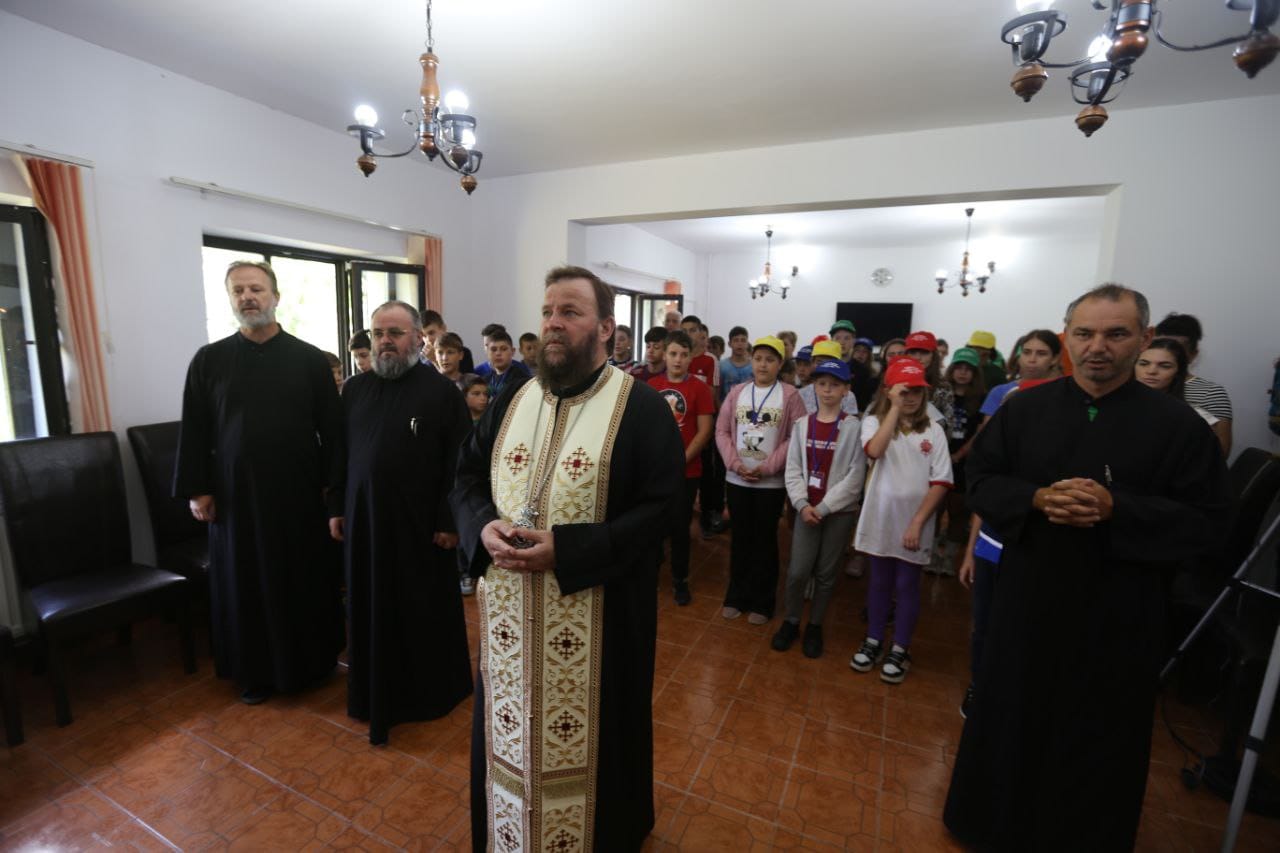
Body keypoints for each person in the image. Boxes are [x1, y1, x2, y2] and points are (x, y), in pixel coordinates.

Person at [943, 284, 1232, 851]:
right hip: (1029, 598)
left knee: (1099, 733)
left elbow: (1210, 521)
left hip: (1120, 612)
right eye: (1085, 333)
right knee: (1012, 714)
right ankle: (989, 823)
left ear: (1144, 338)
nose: (1098, 346)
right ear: (1066, 338)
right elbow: (980, 481)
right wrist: (1036, 499)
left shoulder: (1179, 426)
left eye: (1116, 334)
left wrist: (1116, 507)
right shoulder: (1024, 409)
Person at [451, 266, 683, 852]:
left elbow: (663, 508)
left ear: (605, 327)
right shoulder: (512, 399)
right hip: (510, 620)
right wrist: (482, 527)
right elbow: (466, 477)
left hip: (601, 618)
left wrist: (570, 549)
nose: (554, 323)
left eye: (571, 312)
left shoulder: (642, 408)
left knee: (601, 742)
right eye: (548, 311)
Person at [175, 260, 344, 705]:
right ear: (230, 299)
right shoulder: (209, 360)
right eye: (238, 291)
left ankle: (312, 663)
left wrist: (333, 489)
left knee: (301, 578)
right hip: (236, 499)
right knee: (244, 583)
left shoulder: (309, 359)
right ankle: (254, 672)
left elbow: (333, 431)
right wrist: (198, 489)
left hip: (298, 493)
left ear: (275, 297)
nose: (247, 297)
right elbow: (194, 429)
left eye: (256, 289)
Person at [328, 300, 472, 745]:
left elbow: (460, 463)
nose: (385, 341)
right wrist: (336, 505)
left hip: (421, 527)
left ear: (419, 338)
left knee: (419, 608)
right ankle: (372, 690)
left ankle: (425, 694)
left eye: (395, 332)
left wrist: (449, 520)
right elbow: (340, 455)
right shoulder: (354, 390)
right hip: (366, 522)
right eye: (378, 333)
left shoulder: (442, 393)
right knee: (370, 604)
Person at [849, 358, 952, 684]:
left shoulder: (934, 430)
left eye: (917, 391)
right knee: (879, 582)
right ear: (889, 392)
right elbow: (875, 451)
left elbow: (941, 481)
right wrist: (892, 409)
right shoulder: (873, 422)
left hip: (915, 522)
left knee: (907, 585)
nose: (911, 398)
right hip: (880, 517)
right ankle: (874, 639)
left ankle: (900, 647)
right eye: (903, 391)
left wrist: (918, 522)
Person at [773, 360, 866, 658]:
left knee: (826, 573)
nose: (827, 390)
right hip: (806, 510)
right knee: (798, 571)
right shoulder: (802, 425)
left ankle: (814, 625)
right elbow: (793, 469)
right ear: (814, 387)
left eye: (835, 385)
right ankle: (791, 620)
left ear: (846, 390)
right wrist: (802, 504)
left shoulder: (854, 428)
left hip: (838, 512)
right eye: (822, 384)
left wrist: (824, 508)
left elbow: (855, 477)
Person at [716, 336, 807, 625]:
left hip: (770, 484)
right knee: (740, 539)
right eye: (758, 359)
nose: (763, 365)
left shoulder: (790, 395)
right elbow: (722, 431)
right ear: (752, 361)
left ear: (780, 364)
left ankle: (763, 602)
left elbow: (795, 436)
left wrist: (767, 468)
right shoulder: (737, 392)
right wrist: (735, 464)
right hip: (737, 480)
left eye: (770, 360)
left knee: (765, 541)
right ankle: (736, 596)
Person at [648, 330, 715, 606]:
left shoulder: (700, 389)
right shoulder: (651, 385)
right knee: (652, 526)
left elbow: (704, 431)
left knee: (679, 528)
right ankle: (649, 574)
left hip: (686, 471)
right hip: (655, 472)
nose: (678, 360)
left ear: (690, 358)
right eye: (673, 353)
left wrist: (679, 461)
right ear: (664, 355)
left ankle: (680, 579)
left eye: (684, 355)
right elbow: (644, 429)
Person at [1154, 312, 1234, 455]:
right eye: (1159, 346)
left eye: (1175, 350)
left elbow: (1221, 451)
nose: (1164, 354)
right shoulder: (1135, 386)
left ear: (1193, 354)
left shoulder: (1211, 393)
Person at [1136, 337, 1228, 454]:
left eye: (1165, 366)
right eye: (1143, 364)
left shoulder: (1193, 414)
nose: (1151, 371)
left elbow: (1212, 455)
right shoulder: (1118, 402)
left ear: (1178, 372)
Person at [683, 315, 725, 537]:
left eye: (692, 330)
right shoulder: (681, 356)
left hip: (704, 421)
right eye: (685, 330)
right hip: (683, 421)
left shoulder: (710, 360)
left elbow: (711, 394)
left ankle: (710, 513)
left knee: (708, 470)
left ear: (701, 333)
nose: (689, 334)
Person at [978, 330, 1061, 421]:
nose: (1032, 359)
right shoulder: (1000, 392)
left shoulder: (1065, 391)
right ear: (1019, 355)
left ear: (1054, 359)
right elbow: (989, 428)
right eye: (1026, 352)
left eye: (1041, 354)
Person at [799, 341, 861, 417]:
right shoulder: (801, 394)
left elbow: (851, 422)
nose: (824, 366)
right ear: (812, 363)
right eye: (819, 362)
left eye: (829, 362)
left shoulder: (848, 396)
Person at [830, 320, 878, 412]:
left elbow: (864, 403)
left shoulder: (863, 371)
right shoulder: (824, 368)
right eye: (837, 338)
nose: (842, 342)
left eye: (847, 338)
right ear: (831, 340)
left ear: (853, 341)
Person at [476, 329, 531, 401]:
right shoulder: (484, 380)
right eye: (493, 349)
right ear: (487, 352)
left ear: (512, 351)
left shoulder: (523, 380)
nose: (498, 353)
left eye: (504, 349)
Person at [720, 326, 754, 393]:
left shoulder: (754, 366)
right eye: (736, 340)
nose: (739, 344)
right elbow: (717, 393)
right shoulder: (721, 366)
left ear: (747, 344)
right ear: (729, 344)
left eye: (743, 340)